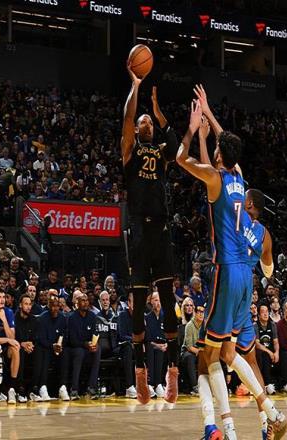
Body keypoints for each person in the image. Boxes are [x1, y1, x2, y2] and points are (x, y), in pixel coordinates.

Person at [177, 89, 287, 440]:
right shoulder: (239, 177)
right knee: (228, 352)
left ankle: (226, 427)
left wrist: (194, 128)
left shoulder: (216, 177)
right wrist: (209, 115)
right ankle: (267, 417)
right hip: (246, 278)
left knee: (208, 358)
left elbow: (182, 159)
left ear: (220, 153)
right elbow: (225, 151)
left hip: (225, 270)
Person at [121, 63, 180, 404]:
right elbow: (128, 118)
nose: (145, 123)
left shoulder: (160, 152)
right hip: (139, 232)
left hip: (161, 230)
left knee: (169, 301)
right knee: (139, 303)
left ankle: (172, 372)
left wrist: (159, 114)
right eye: (142, 121)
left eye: (148, 122)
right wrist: (135, 87)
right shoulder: (129, 150)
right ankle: (140, 371)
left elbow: (175, 144)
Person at [34, 295, 70, 401]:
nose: (55, 308)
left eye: (57, 306)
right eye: (53, 306)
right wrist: (52, 346)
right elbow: (40, 339)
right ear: (49, 306)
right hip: (46, 347)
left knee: (66, 353)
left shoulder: (62, 318)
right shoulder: (42, 318)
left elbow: (64, 335)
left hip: (57, 348)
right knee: (44, 352)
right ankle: (43, 387)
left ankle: (63, 387)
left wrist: (60, 345)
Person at [67, 293, 100, 400]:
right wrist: (85, 344)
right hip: (74, 348)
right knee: (79, 352)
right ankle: (74, 389)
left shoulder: (92, 316)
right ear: (77, 303)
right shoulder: (72, 317)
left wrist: (93, 344)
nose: (86, 303)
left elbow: (94, 334)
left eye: (87, 300)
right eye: (83, 300)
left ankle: (92, 387)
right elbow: (72, 341)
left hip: (88, 347)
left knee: (97, 349)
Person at [15, 294, 38, 402]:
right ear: (20, 305)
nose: (28, 307)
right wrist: (21, 344)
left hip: (29, 347)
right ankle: (20, 389)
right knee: (20, 351)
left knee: (38, 351)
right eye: (26, 304)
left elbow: (35, 337)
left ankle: (34, 389)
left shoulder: (33, 319)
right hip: (16, 346)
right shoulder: (14, 318)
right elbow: (12, 337)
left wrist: (30, 344)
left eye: (30, 304)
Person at [254, 303, 279, 394]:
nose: (265, 314)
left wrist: (276, 352)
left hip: (271, 351)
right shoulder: (255, 326)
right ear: (259, 314)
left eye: (267, 312)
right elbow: (257, 344)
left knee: (284, 355)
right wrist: (269, 352)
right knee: (264, 355)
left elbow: (275, 342)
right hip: (261, 352)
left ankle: (284, 384)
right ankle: (267, 384)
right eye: (263, 312)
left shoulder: (272, 325)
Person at [145, 292, 166, 398]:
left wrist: (166, 344)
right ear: (151, 302)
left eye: (160, 300)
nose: (158, 303)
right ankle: (151, 384)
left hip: (164, 345)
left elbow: (169, 335)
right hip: (152, 345)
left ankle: (159, 384)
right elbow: (148, 339)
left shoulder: (165, 317)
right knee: (153, 349)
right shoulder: (147, 318)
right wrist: (158, 345)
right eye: (156, 300)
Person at [181, 305, 205, 395]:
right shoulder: (189, 325)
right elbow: (189, 346)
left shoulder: (205, 326)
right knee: (190, 357)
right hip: (187, 351)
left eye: (203, 312)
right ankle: (195, 386)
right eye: (199, 312)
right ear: (195, 313)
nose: (201, 314)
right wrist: (200, 352)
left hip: (200, 350)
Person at [117, 292, 137, 398]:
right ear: (129, 303)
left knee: (152, 347)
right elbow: (122, 335)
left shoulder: (140, 316)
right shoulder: (122, 315)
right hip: (123, 346)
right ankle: (129, 386)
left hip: (137, 346)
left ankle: (152, 384)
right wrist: (134, 340)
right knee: (128, 348)